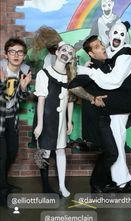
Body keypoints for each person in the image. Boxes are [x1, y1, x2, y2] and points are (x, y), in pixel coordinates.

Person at [74, 22, 131, 192]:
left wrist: (87, 70)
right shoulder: (111, 54)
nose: (117, 37)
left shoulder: (124, 54)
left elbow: (114, 80)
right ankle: (119, 180)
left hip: (122, 104)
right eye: (115, 33)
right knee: (116, 145)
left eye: (121, 34)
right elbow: (73, 83)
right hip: (114, 107)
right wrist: (83, 69)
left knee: (116, 144)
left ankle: (120, 181)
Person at [33, 41, 76, 197]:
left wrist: (69, 120)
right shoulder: (43, 74)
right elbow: (41, 100)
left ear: (71, 59)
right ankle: (45, 186)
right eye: (64, 50)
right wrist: (39, 124)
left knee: (60, 151)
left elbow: (70, 100)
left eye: (70, 53)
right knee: (43, 152)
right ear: (57, 52)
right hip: (46, 119)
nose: (66, 53)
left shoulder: (71, 78)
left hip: (61, 121)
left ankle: (62, 186)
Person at [0, 38, 31, 206]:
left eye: (20, 52)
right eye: (12, 52)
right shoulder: (1, 69)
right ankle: (2, 194)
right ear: (6, 55)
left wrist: (24, 88)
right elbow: (3, 97)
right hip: (0, 118)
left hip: (12, 118)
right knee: (2, 156)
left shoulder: (24, 71)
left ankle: (3, 183)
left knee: (11, 153)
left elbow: (19, 98)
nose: (16, 55)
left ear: (24, 56)